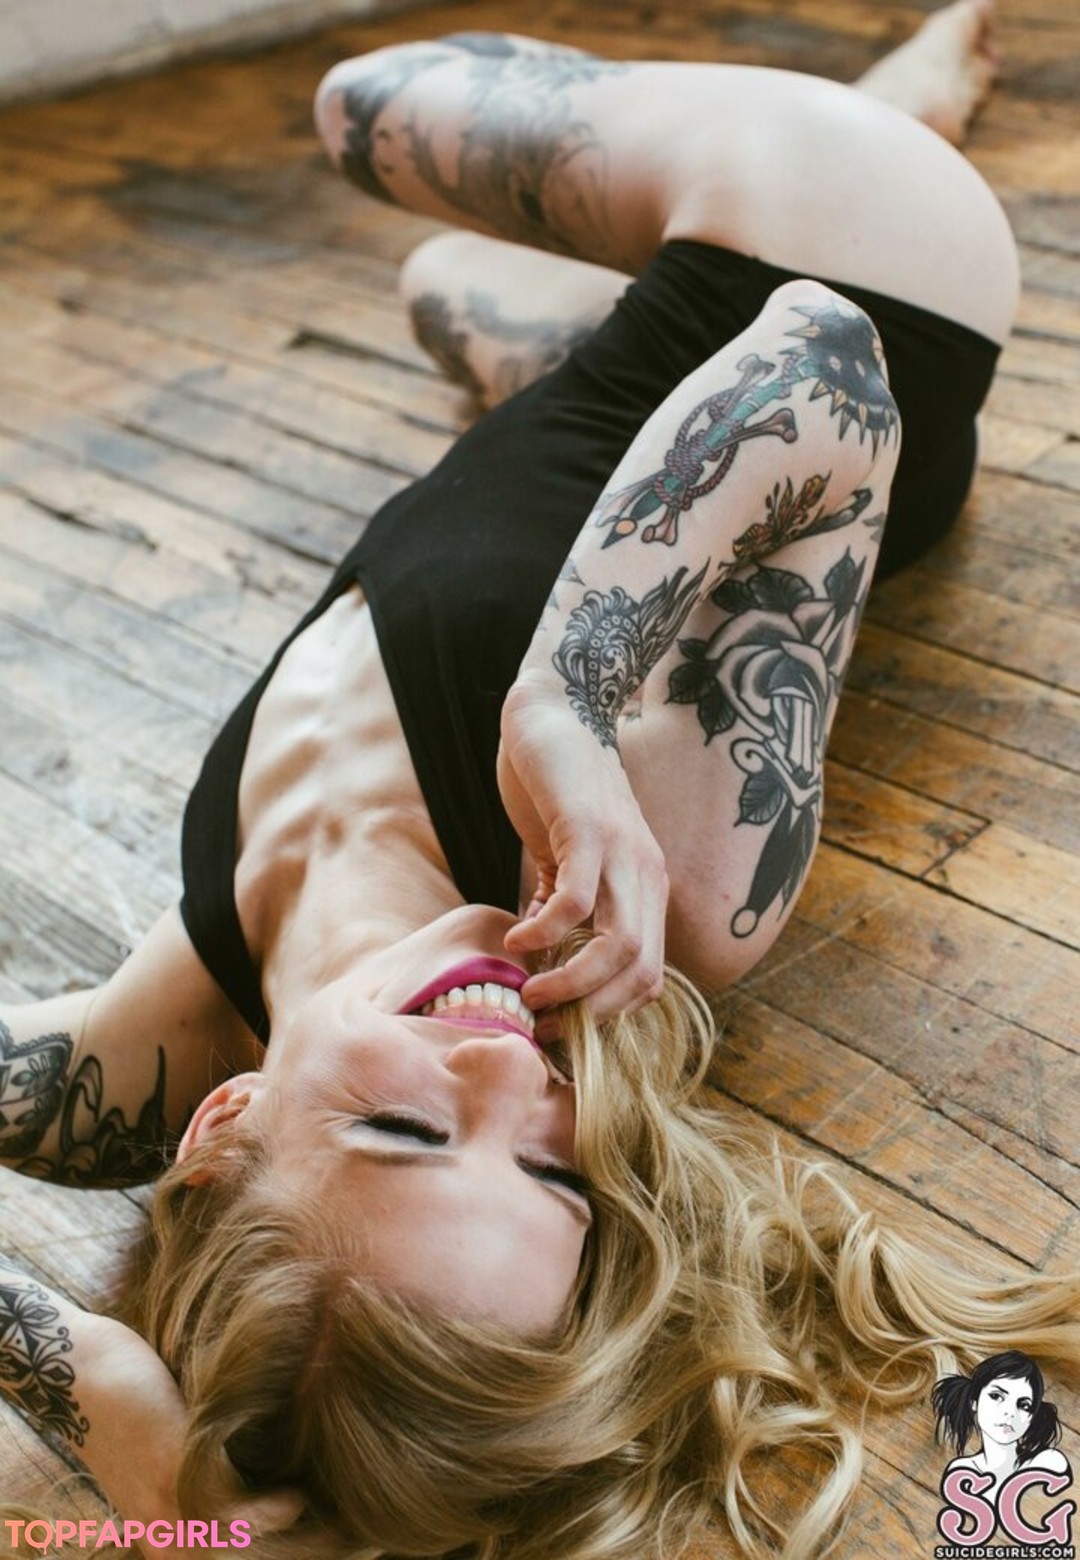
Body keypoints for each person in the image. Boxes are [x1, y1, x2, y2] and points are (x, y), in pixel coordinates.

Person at [1, 5, 1077, 1558]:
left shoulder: (150, 1061)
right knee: (363, 103)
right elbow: (822, 352)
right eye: (559, 1181)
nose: (517, 1081)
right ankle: (887, 105)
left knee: (438, 274)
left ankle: (554, 329)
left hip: (602, 398)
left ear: (224, 1130)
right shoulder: (685, 891)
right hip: (846, 270)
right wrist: (566, 695)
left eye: (405, 1134)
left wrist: (83, 1380)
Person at [933, 1352, 1069, 1500]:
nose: (1010, 1413)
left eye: (1024, 1405)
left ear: (1032, 1417)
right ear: (974, 1401)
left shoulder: (1050, 1462)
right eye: (996, 1396)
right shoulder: (961, 1471)